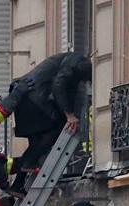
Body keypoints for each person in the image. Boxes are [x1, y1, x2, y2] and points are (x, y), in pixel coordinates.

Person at [7, 52, 92, 197]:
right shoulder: (75, 61)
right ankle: (29, 163)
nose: (83, 84)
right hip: (34, 100)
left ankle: (18, 185)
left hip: (24, 98)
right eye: (84, 80)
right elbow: (59, 86)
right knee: (57, 128)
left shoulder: (66, 61)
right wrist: (69, 115)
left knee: (34, 146)